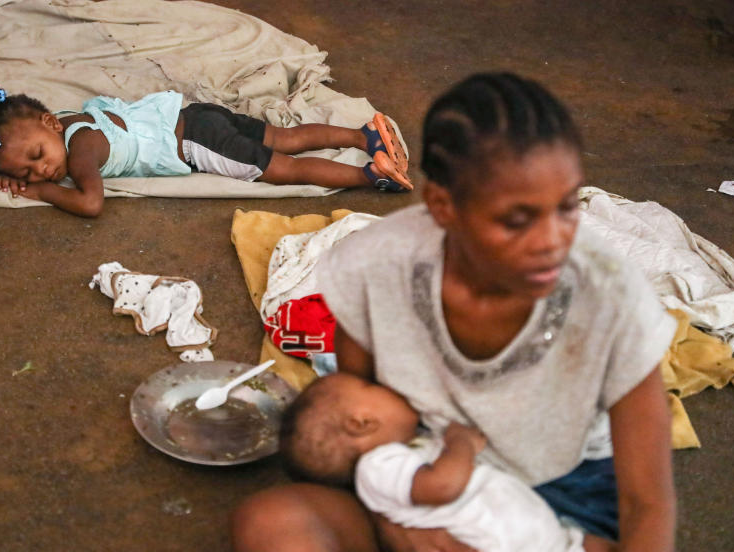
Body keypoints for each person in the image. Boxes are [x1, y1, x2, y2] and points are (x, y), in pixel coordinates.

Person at [231, 73, 677, 552]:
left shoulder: (610, 298)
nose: (552, 242)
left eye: (566, 206)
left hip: (566, 507)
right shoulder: (379, 270)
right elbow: (362, 421)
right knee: (272, 523)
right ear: (443, 206)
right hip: (428, 474)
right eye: (517, 218)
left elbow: (646, 505)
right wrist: (398, 517)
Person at [280, 372, 615, 552]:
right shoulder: (378, 465)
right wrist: (461, 443)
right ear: (361, 423)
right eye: (372, 386)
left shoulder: (402, 453)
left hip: (540, 531)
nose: (386, 384)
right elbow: (442, 486)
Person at [0, 86, 412, 217]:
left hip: (199, 142)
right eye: (27, 174)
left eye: (36, 156)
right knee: (283, 136)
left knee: (287, 169)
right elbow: (18, 149)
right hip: (197, 114)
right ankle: (362, 135)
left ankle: (370, 176)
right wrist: (14, 173)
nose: (42, 171)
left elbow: (90, 202)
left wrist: (44, 194)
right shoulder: (66, 119)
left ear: (51, 127)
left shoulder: (81, 151)